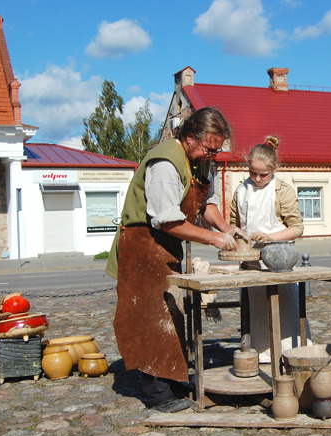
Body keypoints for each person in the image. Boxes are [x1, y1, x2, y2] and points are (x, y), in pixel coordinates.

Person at [105, 107, 245, 413]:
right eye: (209, 148)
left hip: (165, 246)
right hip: (142, 244)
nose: (212, 154)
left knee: (172, 315)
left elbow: (204, 203)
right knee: (151, 319)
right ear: (190, 137)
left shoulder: (198, 161)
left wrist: (226, 228)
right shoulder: (165, 163)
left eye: (217, 149)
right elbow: (167, 221)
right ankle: (157, 393)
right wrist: (213, 239)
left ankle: (174, 379)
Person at [229, 135, 308, 363]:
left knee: (285, 314)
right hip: (251, 263)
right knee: (255, 314)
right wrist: (235, 234)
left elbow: (297, 228)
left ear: (275, 168)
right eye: (253, 173)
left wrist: (269, 237)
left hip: (279, 262)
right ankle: (259, 360)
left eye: (264, 174)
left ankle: (290, 360)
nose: (258, 178)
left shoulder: (282, 191)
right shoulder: (241, 191)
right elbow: (234, 223)